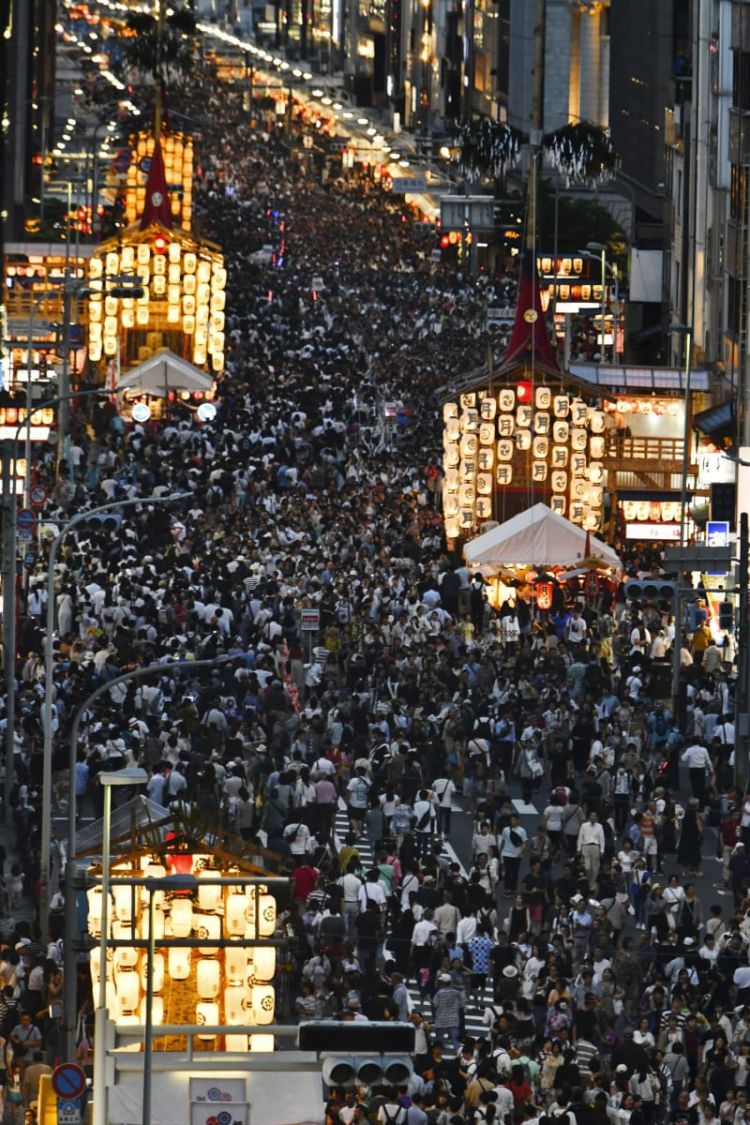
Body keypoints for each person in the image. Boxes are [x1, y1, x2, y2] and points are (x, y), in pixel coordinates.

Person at [498, 814, 527, 896]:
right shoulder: (505, 830)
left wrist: (520, 852)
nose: (512, 821)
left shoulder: (522, 830)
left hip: (517, 855)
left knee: (515, 872)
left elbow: (524, 843)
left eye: (514, 820)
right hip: (507, 854)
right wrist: (500, 851)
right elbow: (502, 841)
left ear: (517, 820)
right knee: (507, 872)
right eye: (511, 820)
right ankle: (507, 889)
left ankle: (513, 888)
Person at [577, 810, 606, 891]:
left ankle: (592, 885)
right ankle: (587, 883)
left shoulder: (599, 826)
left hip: (595, 847)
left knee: (595, 867)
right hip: (585, 846)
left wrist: (602, 850)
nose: (593, 817)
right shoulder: (584, 825)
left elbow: (602, 838)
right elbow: (580, 837)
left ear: (596, 817)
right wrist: (578, 848)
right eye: (591, 816)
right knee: (587, 867)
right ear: (589, 817)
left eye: (594, 816)